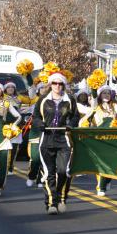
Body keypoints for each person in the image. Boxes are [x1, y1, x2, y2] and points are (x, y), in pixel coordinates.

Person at [33, 73, 80, 215]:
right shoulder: (43, 100)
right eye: (54, 83)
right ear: (50, 85)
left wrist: (70, 125)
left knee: (63, 171)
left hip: (63, 139)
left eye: (60, 84)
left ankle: (60, 197)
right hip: (46, 140)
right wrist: (40, 124)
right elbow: (35, 116)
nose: (57, 86)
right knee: (49, 173)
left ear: (64, 86)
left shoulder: (70, 100)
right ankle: (52, 203)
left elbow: (75, 116)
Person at [79, 84, 117, 196]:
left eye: (108, 93)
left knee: (113, 163)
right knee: (102, 162)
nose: (106, 95)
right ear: (100, 95)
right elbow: (94, 96)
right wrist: (94, 86)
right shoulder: (96, 105)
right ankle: (101, 187)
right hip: (100, 138)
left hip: (113, 138)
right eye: (104, 93)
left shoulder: (114, 105)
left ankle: (107, 180)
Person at [3, 81, 36, 175]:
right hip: (5, 125)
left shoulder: (19, 97)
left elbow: (32, 100)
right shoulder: (2, 97)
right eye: (8, 87)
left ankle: (10, 168)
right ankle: (4, 166)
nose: (10, 89)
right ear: (5, 89)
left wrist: (33, 87)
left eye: (12, 87)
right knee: (5, 148)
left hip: (16, 125)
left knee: (14, 148)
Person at [25, 83, 47, 188]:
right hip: (35, 131)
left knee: (44, 158)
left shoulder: (51, 99)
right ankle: (32, 176)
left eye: (45, 87)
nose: (43, 89)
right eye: (41, 87)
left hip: (47, 131)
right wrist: (28, 73)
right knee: (35, 158)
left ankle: (40, 180)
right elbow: (31, 87)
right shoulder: (34, 98)